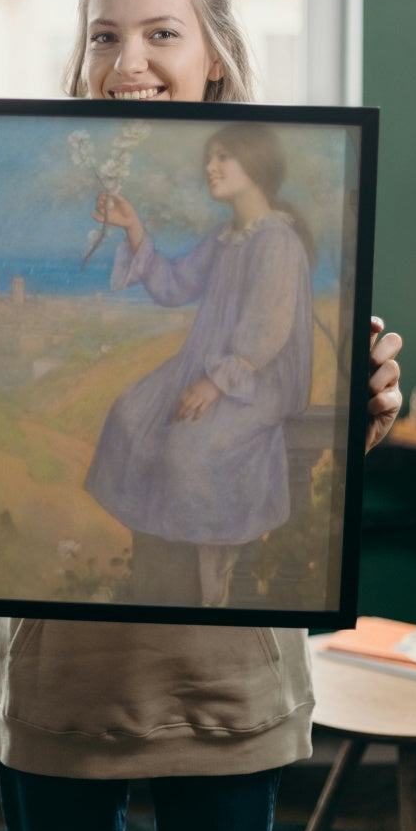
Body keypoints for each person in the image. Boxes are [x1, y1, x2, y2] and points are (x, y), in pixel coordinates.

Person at [0, 0, 403, 831]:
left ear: (214, 54)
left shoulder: (287, 230)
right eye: (103, 35)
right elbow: (171, 283)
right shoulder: (202, 231)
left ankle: (194, 559)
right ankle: (152, 547)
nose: (126, 59)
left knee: (184, 436)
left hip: (221, 690)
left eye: (161, 33)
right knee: (135, 413)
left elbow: (267, 341)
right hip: (61, 688)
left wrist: (361, 409)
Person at [85, 123, 313, 609]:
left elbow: (267, 329)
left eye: (224, 157)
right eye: (209, 157)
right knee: (132, 413)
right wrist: (134, 228)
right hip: (212, 366)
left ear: (257, 164)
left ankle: (210, 578)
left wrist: (216, 383)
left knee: (189, 450)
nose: (210, 167)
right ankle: (161, 573)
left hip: (256, 380)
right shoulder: (227, 236)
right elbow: (173, 285)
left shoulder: (276, 240)